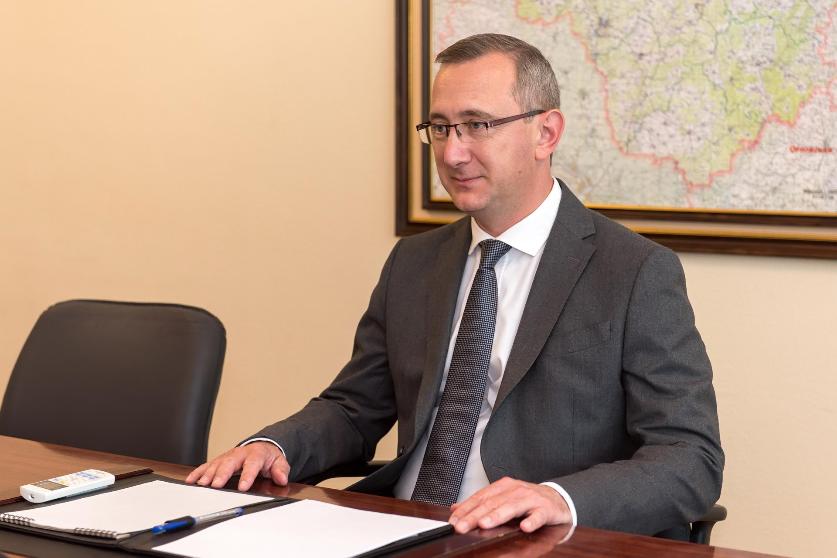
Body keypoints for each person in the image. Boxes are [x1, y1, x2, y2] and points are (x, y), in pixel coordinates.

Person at [187, 33, 723, 538]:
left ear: (546, 133)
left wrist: (559, 498)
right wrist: (274, 445)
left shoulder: (633, 271)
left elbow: (689, 457)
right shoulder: (415, 261)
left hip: (525, 540)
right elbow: (354, 408)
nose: (452, 154)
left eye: (478, 125)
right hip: (397, 527)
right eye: (441, 128)